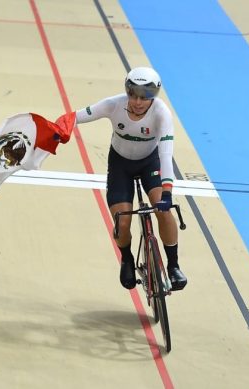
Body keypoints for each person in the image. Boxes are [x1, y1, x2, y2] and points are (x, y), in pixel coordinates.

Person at [72, 66, 187, 291]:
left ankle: (173, 265)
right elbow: (75, 118)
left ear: (154, 96)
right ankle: (126, 259)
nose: (137, 102)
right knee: (122, 222)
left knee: (163, 211)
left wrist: (167, 192)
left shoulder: (162, 113)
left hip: (150, 163)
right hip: (120, 165)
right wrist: (53, 129)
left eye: (144, 97)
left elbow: (165, 154)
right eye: (133, 95)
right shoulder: (113, 105)